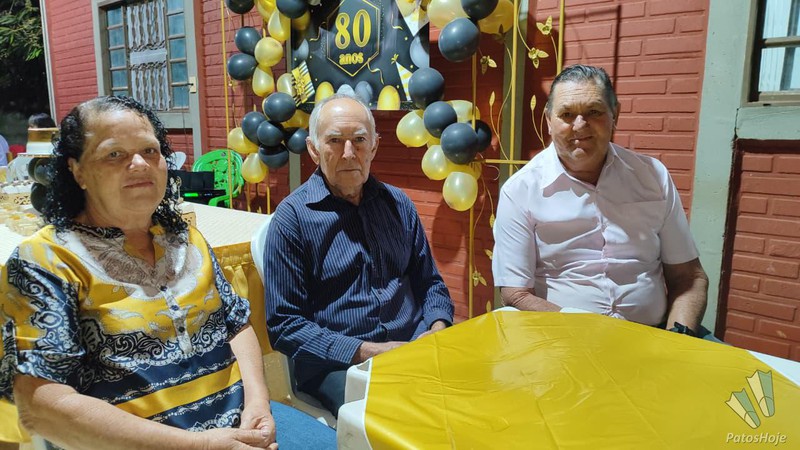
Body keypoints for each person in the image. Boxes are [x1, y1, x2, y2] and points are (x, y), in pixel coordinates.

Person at [0, 96, 335, 449]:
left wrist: (258, 403)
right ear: (77, 170)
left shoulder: (185, 239)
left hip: (240, 427)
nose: (138, 164)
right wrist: (200, 445)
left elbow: (236, 324)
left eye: (150, 151)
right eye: (114, 154)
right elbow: (41, 405)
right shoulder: (45, 260)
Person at [264, 94, 455, 417]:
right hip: (337, 364)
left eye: (359, 140)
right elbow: (285, 326)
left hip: (414, 346)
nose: (349, 153)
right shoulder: (292, 219)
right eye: (335, 141)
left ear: (375, 146)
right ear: (313, 149)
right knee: (403, 414)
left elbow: (430, 283)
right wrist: (368, 351)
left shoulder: (398, 205)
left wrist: (436, 329)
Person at [492, 65, 709, 337]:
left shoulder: (653, 177)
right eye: (566, 114)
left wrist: (678, 340)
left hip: (655, 337)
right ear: (548, 120)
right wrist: (588, 336)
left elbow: (689, 278)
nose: (580, 126)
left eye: (593, 112)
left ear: (615, 114)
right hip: (562, 338)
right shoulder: (520, 191)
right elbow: (516, 294)